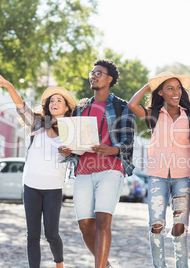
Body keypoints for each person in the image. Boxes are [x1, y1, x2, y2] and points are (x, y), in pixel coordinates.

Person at [0, 73, 76, 268]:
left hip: (53, 188)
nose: (54, 103)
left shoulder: (72, 130)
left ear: (66, 107)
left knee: (51, 234)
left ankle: (59, 264)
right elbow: (21, 106)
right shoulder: (38, 123)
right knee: (32, 235)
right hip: (31, 185)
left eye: (59, 100)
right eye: (51, 101)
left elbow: (78, 154)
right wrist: (10, 87)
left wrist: (69, 152)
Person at [59, 59, 135, 268]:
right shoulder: (80, 108)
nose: (93, 76)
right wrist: (68, 149)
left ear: (110, 79)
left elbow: (128, 142)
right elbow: (74, 143)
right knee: (85, 225)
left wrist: (112, 149)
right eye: (92, 73)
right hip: (83, 170)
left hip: (111, 169)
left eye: (99, 73)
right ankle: (106, 265)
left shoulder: (121, 107)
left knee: (103, 222)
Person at [127, 71, 190, 268]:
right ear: (161, 93)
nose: (175, 92)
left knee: (179, 228)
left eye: (178, 88)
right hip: (158, 176)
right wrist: (148, 87)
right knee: (156, 226)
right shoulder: (155, 114)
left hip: (183, 176)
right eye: (170, 88)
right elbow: (132, 106)